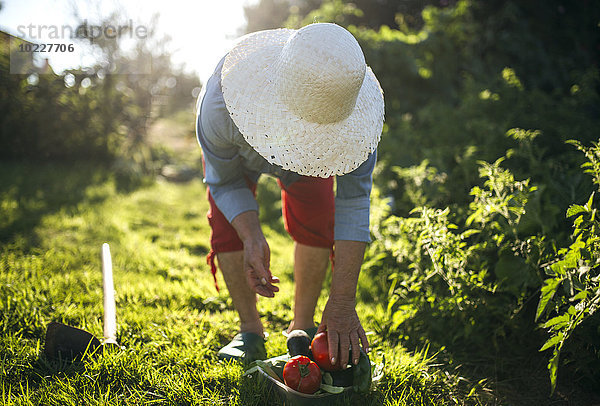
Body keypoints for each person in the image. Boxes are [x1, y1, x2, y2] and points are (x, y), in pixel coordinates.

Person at [195, 22, 384, 368]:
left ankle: (303, 326)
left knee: (317, 220)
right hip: (240, 155)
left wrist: (343, 300)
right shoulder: (221, 106)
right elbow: (223, 182)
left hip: (315, 159)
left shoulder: (358, 126)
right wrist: (251, 235)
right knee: (227, 229)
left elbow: (354, 202)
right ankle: (250, 331)